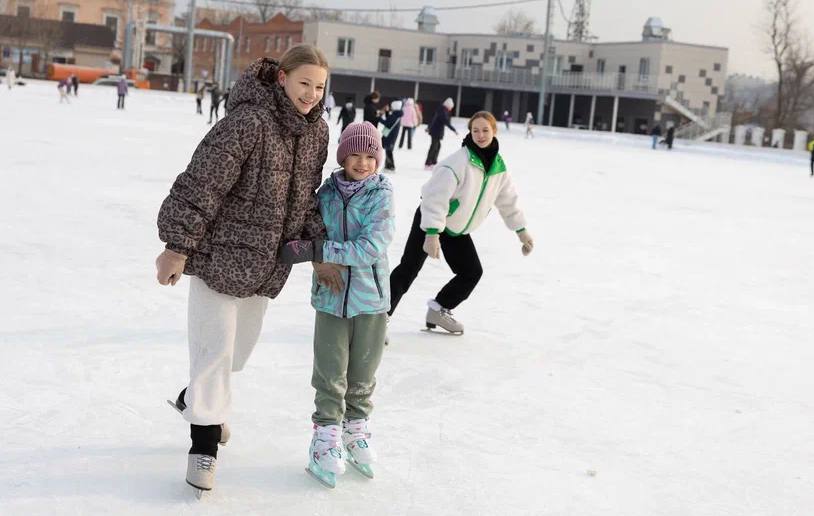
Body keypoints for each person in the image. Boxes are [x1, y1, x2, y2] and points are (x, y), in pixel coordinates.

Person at [155, 45, 337, 496]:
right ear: (282, 79)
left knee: (236, 355)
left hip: (266, 266)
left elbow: (308, 198)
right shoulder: (248, 122)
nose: (312, 94)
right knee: (215, 353)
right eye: (304, 83)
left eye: (319, 86)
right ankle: (205, 446)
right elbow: (202, 181)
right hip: (218, 258)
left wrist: (317, 248)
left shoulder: (318, 133)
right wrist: (177, 247)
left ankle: (193, 399)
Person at [277, 121, 394, 487]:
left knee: (363, 372)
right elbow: (308, 230)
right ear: (342, 156)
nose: (362, 163)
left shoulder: (382, 193)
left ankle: (355, 429)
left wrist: (320, 252)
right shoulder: (325, 194)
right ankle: (325, 438)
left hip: (371, 298)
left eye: (369, 155)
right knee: (330, 372)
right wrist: (316, 257)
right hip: (330, 296)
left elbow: (372, 246)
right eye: (354, 155)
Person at [388, 111, 533, 335]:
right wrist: (432, 233)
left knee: (471, 272)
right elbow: (434, 197)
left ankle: (439, 309)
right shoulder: (458, 162)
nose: (480, 134)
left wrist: (521, 231)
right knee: (408, 269)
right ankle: (377, 319)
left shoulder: (498, 167)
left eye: (485, 130)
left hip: (456, 228)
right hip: (431, 219)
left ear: (494, 131)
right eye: (475, 130)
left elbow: (507, 200)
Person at [424, 97, 457, 170]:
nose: (451, 109)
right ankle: (428, 163)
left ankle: (433, 162)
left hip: (436, 131)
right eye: (451, 107)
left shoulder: (442, 110)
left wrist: (429, 127)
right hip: (436, 131)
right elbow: (445, 121)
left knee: (437, 146)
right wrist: (453, 129)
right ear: (448, 106)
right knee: (434, 147)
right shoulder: (443, 111)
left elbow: (434, 119)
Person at [378, 100, 403, 172]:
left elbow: (386, 123)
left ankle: (391, 167)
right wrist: (386, 112)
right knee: (388, 150)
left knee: (389, 151)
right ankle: (387, 166)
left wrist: (379, 117)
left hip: (390, 136)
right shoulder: (396, 114)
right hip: (392, 135)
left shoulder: (394, 115)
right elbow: (389, 120)